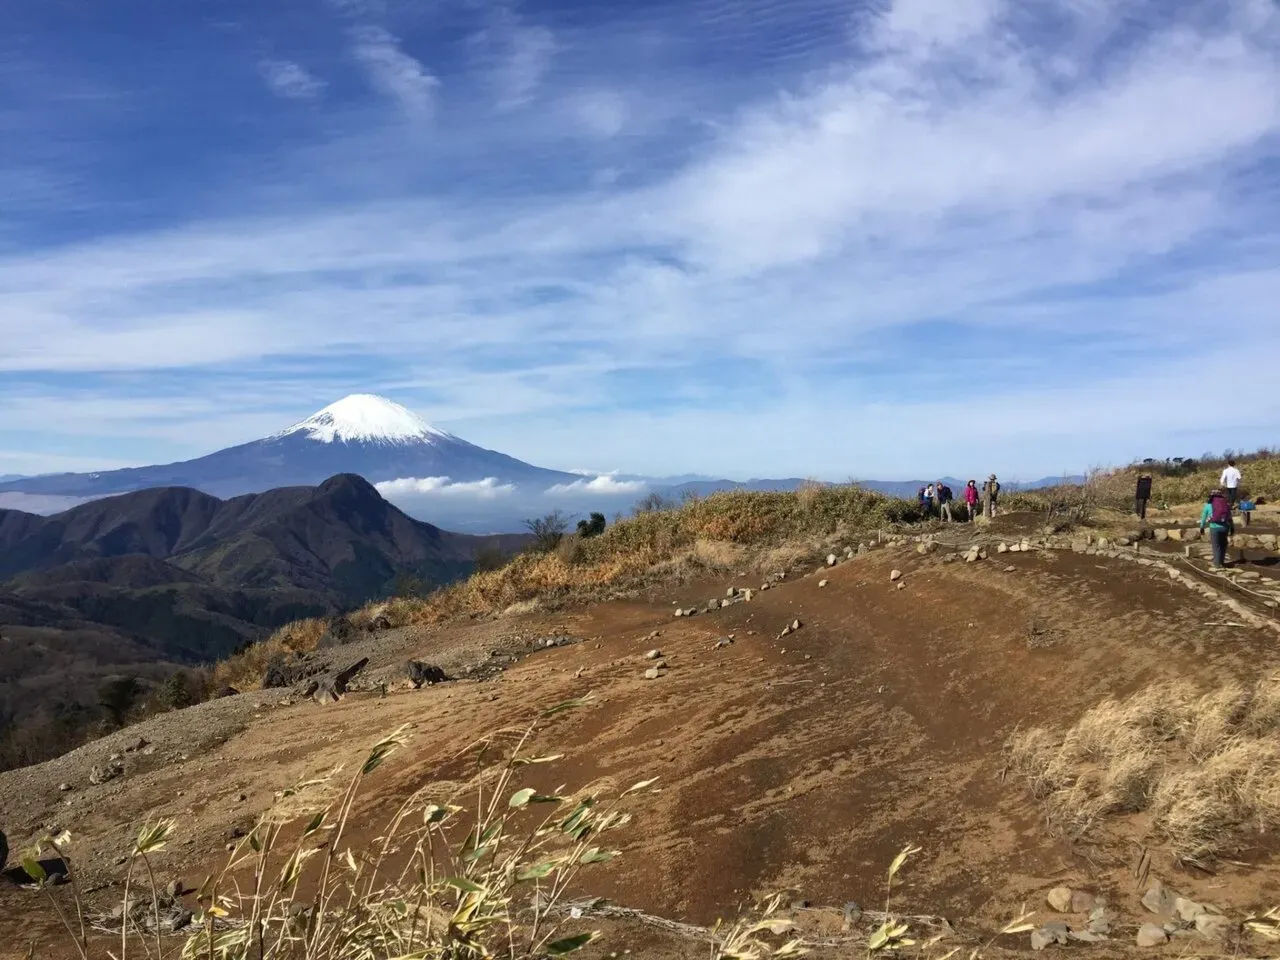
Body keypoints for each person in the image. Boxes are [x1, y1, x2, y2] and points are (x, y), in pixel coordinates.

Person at [1199, 488, 1234, 569]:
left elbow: (1203, 517)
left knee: (1216, 546)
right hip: (1225, 527)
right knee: (1223, 545)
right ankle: (1221, 562)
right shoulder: (1226, 504)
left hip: (1214, 527)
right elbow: (1230, 518)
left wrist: (1202, 527)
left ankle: (1217, 564)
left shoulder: (1208, 505)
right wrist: (1232, 528)